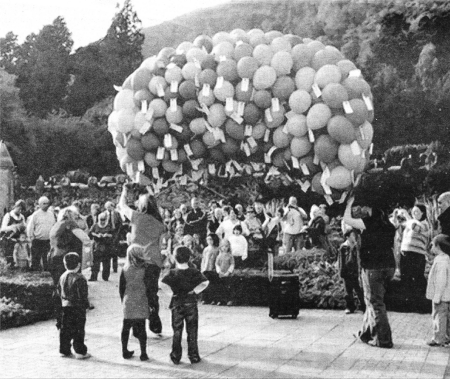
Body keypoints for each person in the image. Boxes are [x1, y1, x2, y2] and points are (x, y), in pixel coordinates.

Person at [343, 195, 396, 349]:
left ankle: (384, 340)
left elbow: (347, 219)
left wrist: (349, 203)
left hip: (373, 267)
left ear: (370, 208)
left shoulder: (369, 223)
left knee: (376, 303)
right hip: (388, 266)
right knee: (371, 301)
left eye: (364, 207)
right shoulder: (389, 225)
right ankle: (366, 333)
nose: (362, 210)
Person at [118, 184, 166, 335]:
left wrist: (125, 191)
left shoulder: (137, 217)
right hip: (154, 261)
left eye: (139, 202)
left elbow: (122, 206)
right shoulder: (160, 224)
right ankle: (154, 318)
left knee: (133, 290)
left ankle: (136, 323)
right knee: (151, 293)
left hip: (136, 260)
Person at [160, 246, 209, 365]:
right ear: (189, 258)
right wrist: (195, 291)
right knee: (192, 330)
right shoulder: (194, 271)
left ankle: (175, 356)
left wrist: (171, 293)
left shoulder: (172, 272)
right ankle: (194, 355)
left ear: (175, 258)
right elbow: (205, 282)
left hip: (177, 303)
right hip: (191, 303)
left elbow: (161, 283)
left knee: (177, 330)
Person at [119, 245, 151, 361]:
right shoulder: (145, 269)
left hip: (128, 301)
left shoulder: (125, 269)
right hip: (141, 300)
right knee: (142, 328)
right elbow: (149, 287)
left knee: (126, 327)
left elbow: (121, 288)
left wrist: (123, 301)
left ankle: (124, 350)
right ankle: (143, 353)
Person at [56, 253, 91, 359]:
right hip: (77, 307)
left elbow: (58, 292)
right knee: (78, 330)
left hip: (65, 306)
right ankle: (80, 351)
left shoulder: (62, 276)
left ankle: (64, 350)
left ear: (65, 264)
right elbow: (83, 295)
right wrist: (86, 305)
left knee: (65, 329)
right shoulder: (80, 278)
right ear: (79, 264)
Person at [48, 207, 91, 286]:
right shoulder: (70, 224)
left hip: (53, 254)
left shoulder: (57, 224)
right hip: (65, 255)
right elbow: (85, 239)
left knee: (57, 280)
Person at [399, 203, 430, 298]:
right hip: (406, 253)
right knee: (405, 276)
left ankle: (422, 299)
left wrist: (406, 215)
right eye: (413, 212)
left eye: (416, 212)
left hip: (417, 254)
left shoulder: (424, 224)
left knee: (417, 276)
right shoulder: (411, 222)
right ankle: (408, 299)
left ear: (423, 213)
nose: (414, 214)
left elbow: (415, 227)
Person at [426, 234, 450, 346]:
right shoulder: (445, 258)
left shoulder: (441, 261)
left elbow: (441, 280)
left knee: (439, 316)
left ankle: (439, 338)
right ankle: (446, 337)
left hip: (440, 296)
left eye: (432, 245)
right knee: (444, 316)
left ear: (438, 246)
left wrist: (437, 296)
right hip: (445, 295)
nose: (431, 247)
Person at [338, 228, 365, 314]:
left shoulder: (357, 246)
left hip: (355, 271)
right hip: (347, 271)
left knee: (359, 289)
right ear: (348, 237)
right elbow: (341, 260)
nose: (354, 237)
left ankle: (363, 306)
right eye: (353, 235)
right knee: (348, 291)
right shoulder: (344, 247)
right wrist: (341, 272)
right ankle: (350, 306)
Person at [26, 196, 55, 271]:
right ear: (40, 204)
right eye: (44, 203)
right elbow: (30, 227)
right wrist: (31, 237)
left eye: (47, 203)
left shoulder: (51, 214)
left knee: (47, 256)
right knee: (36, 256)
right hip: (38, 239)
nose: (46, 205)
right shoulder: (36, 214)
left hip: (48, 240)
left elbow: (54, 225)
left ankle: (46, 269)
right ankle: (35, 269)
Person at [89, 212, 113, 282]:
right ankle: (94, 276)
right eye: (101, 220)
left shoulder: (109, 226)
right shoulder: (95, 225)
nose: (102, 221)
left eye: (104, 220)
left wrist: (107, 235)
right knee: (95, 262)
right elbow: (90, 233)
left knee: (106, 262)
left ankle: (105, 277)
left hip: (106, 246)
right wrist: (96, 235)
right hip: (97, 245)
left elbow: (113, 235)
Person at [1, 200, 26, 267]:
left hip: (18, 238)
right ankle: (9, 265)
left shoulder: (22, 217)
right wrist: (12, 227)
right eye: (19, 209)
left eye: (22, 209)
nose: (20, 211)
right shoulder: (8, 215)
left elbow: (24, 228)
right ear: (15, 206)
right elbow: (2, 228)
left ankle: (18, 264)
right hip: (8, 238)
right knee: (9, 254)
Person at [200, 234, 220, 304]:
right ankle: (205, 299)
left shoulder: (217, 249)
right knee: (205, 284)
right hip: (206, 269)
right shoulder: (206, 249)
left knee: (213, 284)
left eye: (211, 239)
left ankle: (213, 299)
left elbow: (218, 259)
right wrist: (202, 268)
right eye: (208, 239)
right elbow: (203, 259)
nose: (209, 241)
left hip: (213, 269)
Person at [215, 239, 235, 306]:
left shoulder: (230, 256)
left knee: (228, 287)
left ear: (229, 247)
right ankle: (221, 300)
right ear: (220, 247)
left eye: (226, 246)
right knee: (221, 287)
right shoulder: (219, 256)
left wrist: (228, 272)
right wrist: (219, 271)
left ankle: (229, 300)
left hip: (228, 275)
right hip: (221, 274)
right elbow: (217, 264)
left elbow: (232, 264)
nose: (224, 248)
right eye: (223, 246)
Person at [105, 201, 121, 273]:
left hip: (115, 233)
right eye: (108, 207)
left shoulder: (117, 214)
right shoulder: (104, 214)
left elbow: (120, 224)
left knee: (115, 252)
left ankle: (115, 268)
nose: (109, 208)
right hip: (107, 234)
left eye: (110, 206)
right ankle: (107, 268)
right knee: (107, 252)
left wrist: (118, 234)